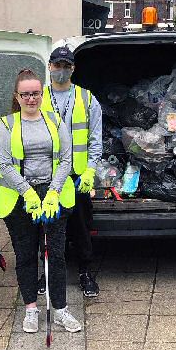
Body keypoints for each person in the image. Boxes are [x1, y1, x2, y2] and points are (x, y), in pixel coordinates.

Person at [0, 68, 82, 334]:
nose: (31, 99)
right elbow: (3, 164)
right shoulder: (7, 125)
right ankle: (31, 309)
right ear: (17, 96)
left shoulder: (56, 121)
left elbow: (66, 159)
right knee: (25, 255)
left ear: (41, 94)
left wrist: (53, 192)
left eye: (35, 93)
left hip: (53, 195)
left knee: (55, 254)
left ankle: (60, 309)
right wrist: (28, 193)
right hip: (20, 198)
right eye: (25, 94)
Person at [39, 46, 102, 297]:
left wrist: (90, 171)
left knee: (81, 229)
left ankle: (86, 273)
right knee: (47, 228)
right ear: (50, 67)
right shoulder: (37, 96)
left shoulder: (88, 99)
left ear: (73, 68)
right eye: (57, 66)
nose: (61, 71)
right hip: (47, 175)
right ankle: (47, 273)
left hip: (77, 177)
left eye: (66, 66)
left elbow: (95, 140)